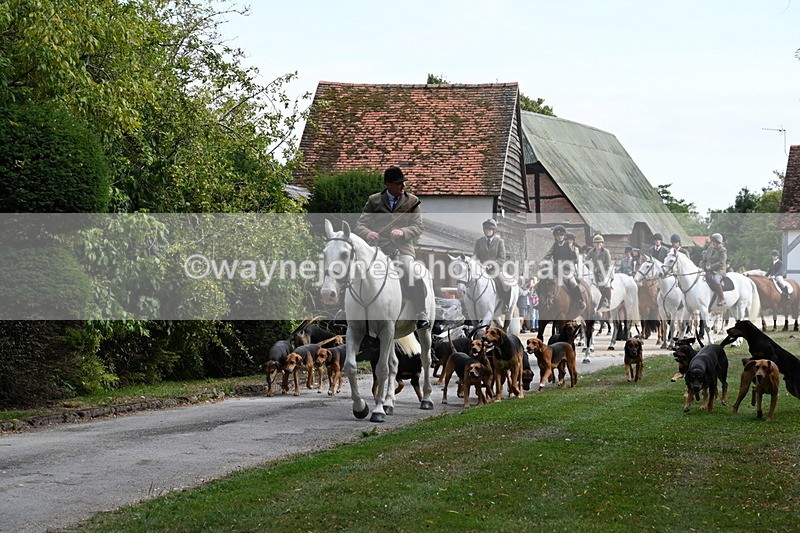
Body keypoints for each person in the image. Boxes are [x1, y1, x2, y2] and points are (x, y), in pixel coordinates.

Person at [355, 165, 430, 329]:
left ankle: (421, 312)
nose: (403, 186)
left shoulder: (412, 201)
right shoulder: (374, 200)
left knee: (409, 270)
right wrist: (368, 234)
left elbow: (419, 227)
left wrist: (403, 232)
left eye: (403, 183)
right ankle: (346, 312)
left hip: (402, 249)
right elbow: (360, 224)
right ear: (388, 184)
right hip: (378, 248)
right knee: (358, 270)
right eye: (399, 183)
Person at [473, 218, 512, 312]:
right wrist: (478, 263)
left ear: (494, 231)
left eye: (490, 229)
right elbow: (475, 255)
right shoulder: (479, 241)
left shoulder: (499, 242)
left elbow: (502, 258)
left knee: (506, 284)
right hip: (481, 270)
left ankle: (505, 305)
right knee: (470, 282)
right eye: (486, 229)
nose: (488, 231)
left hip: (495, 270)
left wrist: (490, 265)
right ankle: (470, 304)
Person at [543, 225, 585, 309]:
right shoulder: (554, 246)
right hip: (556, 270)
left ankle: (580, 300)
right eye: (558, 236)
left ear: (564, 236)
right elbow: (547, 256)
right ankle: (544, 300)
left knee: (573, 282)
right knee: (544, 281)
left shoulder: (568, 245)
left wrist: (573, 252)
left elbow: (575, 259)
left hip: (567, 270)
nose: (560, 237)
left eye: (561, 235)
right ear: (555, 236)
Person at [699, 232, 727, 308]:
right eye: (712, 241)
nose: (712, 243)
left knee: (716, 281)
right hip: (708, 270)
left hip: (719, 271)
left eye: (714, 242)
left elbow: (721, 262)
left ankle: (722, 298)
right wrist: (701, 265)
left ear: (718, 242)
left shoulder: (723, 250)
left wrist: (710, 267)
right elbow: (704, 259)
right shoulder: (710, 249)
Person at [585, 234, 612, 308]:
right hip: (594, 271)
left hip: (605, 271)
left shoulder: (606, 252)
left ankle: (608, 301)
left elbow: (608, 264)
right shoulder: (591, 251)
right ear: (594, 244)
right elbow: (586, 260)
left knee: (607, 284)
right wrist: (590, 267)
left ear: (602, 244)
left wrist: (598, 269)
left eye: (600, 243)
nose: (598, 245)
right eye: (596, 243)